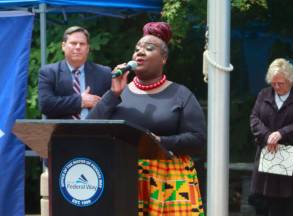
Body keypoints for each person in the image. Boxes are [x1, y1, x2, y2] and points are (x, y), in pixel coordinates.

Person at [87, 21, 206, 215]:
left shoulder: (181, 94)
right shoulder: (117, 93)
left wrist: (160, 142)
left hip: (168, 181)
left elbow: (197, 140)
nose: (139, 52)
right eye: (137, 49)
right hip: (123, 177)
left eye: (149, 49)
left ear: (164, 58)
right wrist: (113, 94)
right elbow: (87, 130)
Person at [250, 58, 293, 216]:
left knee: (288, 205)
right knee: (264, 204)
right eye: (273, 83)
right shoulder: (264, 94)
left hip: (292, 162)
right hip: (267, 158)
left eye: (281, 83)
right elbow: (254, 119)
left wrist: (282, 133)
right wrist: (267, 135)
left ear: (291, 81)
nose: (277, 87)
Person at [38, 26, 112, 119]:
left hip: (95, 131)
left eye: (82, 44)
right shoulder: (49, 72)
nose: (78, 47)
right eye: (73, 43)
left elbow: (112, 105)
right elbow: (45, 105)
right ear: (63, 46)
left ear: (88, 48)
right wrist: (80, 101)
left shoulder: (104, 73)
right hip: (61, 132)